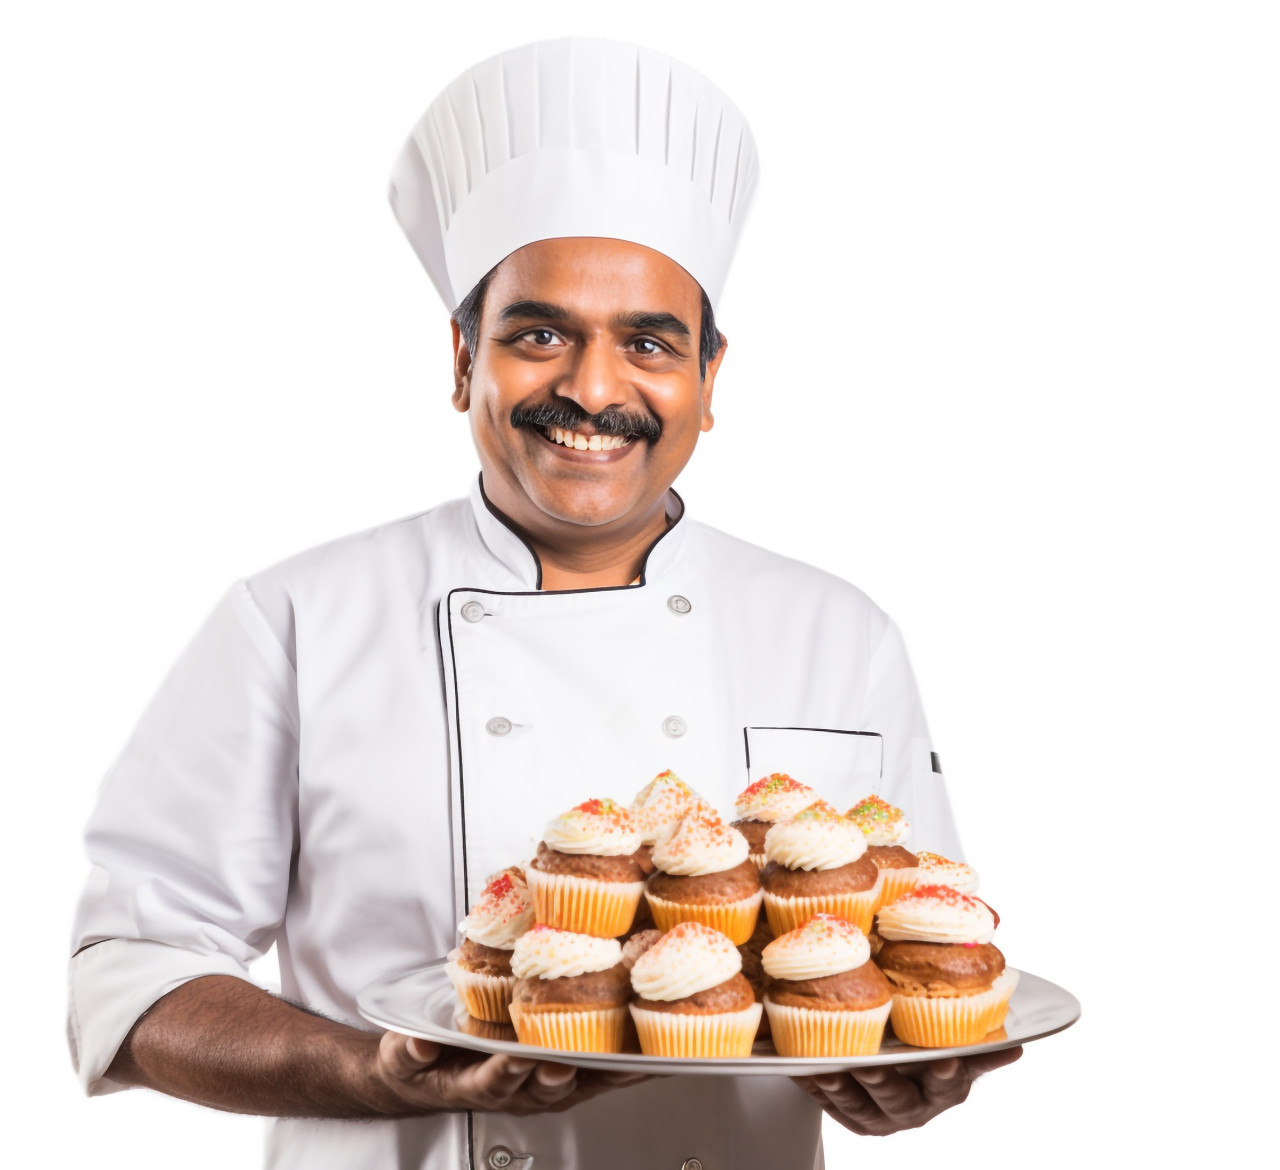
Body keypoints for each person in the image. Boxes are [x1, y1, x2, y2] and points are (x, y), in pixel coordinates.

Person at [68, 37, 1020, 1170]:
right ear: (463, 358)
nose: (592, 388)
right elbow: (130, 976)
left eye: (649, 344)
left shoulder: (836, 631)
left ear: (708, 385)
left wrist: (900, 1080)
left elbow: (910, 950)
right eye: (538, 334)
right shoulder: (295, 621)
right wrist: (363, 1072)